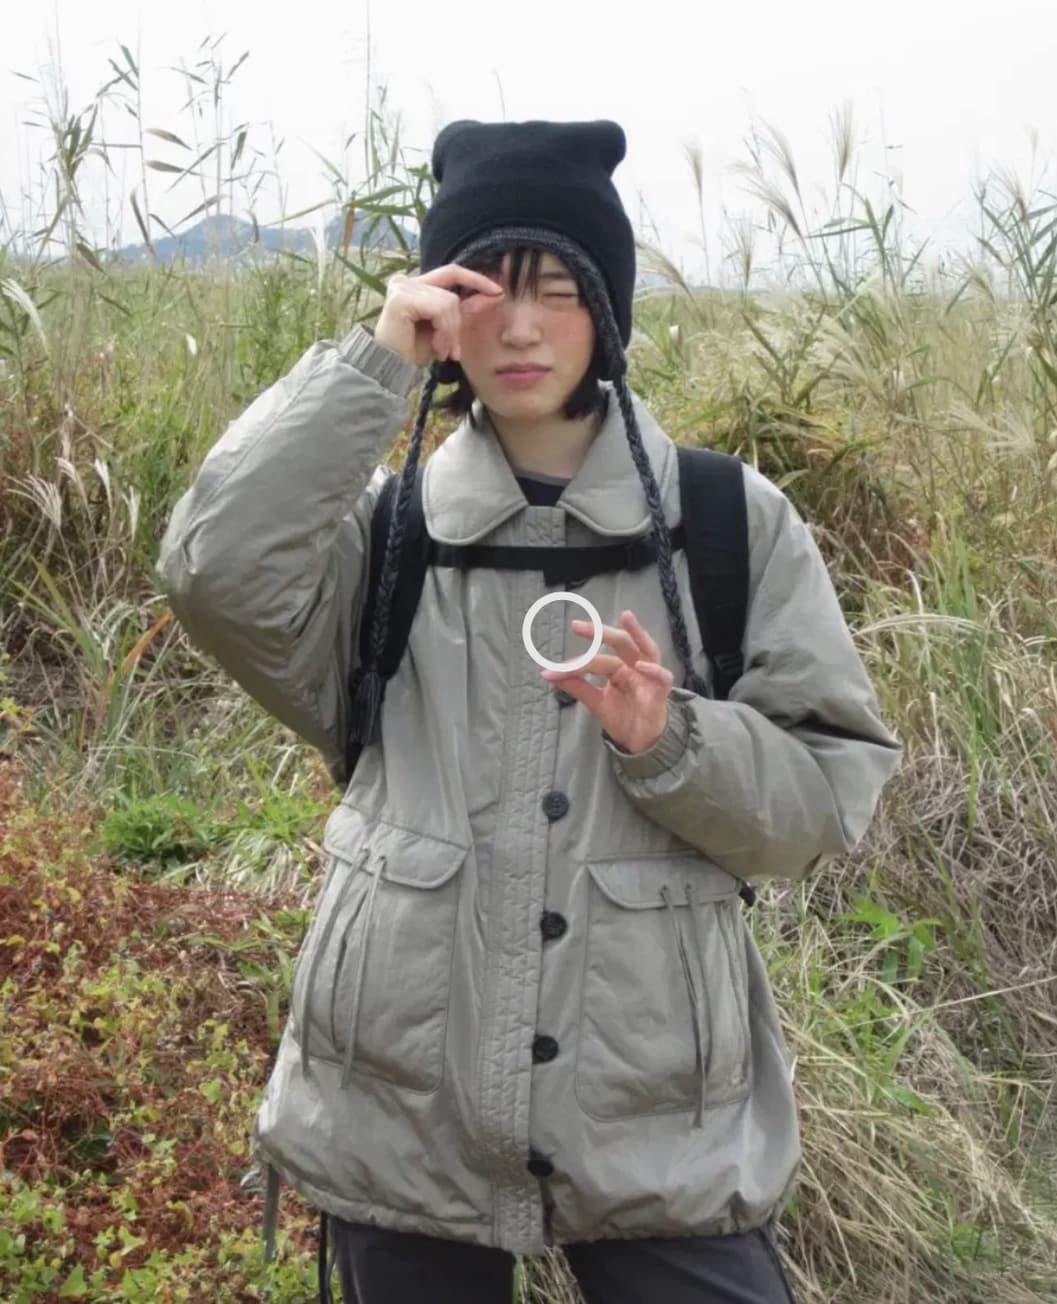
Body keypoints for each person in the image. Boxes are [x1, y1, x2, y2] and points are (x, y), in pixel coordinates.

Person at [155, 118, 902, 1304]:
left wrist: (674, 742)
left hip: (655, 1102)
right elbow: (212, 571)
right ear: (436, 313)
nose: (515, 324)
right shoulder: (389, 533)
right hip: (399, 1091)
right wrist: (372, 363)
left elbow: (823, 797)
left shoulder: (723, 523)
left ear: (607, 309)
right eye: (477, 287)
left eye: (555, 287)